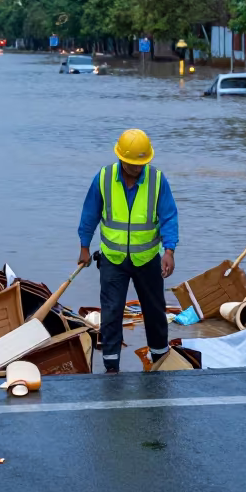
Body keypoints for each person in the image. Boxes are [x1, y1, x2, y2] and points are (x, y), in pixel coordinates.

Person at [78, 128, 178, 373]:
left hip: (147, 259)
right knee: (111, 313)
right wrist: (84, 247)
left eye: (142, 162)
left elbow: (169, 216)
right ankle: (111, 367)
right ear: (121, 158)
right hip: (113, 260)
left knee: (155, 312)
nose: (138, 167)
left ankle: (159, 361)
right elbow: (89, 214)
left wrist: (169, 251)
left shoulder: (156, 180)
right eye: (134, 163)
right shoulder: (103, 179)